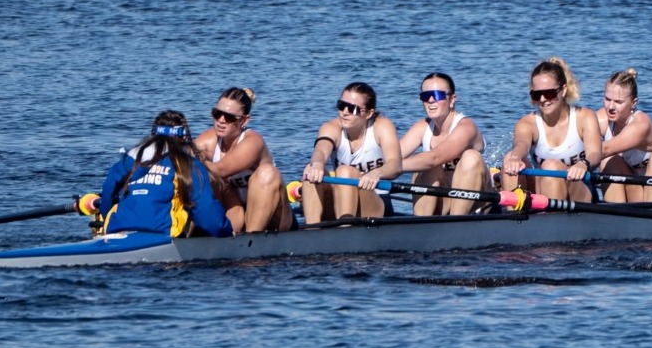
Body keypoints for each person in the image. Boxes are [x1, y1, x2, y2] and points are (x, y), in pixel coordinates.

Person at [96, 110, 233, 238]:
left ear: (154, 134)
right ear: (184, 136)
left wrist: (107, 219)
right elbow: (206, 211)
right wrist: (225, 232)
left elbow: (108, 194)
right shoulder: (189, 164)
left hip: (116, 229)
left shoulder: (128, 160)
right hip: (163, 234)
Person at [500, 57, 603, 203]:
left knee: (551, 166)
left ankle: (550, 216)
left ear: (563, 91)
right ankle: (513, 214)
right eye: (536, 94)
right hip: (543, 189)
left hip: (579, 191)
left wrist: (583, 164)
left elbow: (595, 154)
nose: (542, 99)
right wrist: (515, 158)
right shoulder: (527, 123)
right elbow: (521, 144)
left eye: (549, 93)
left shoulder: (585, 117)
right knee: (509, 158)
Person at [300, 81, 405, 223]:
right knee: (310, 169)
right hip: (340, 198)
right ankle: (312, 229)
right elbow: (321, 150)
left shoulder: (382, 127)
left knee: (345, 172)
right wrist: (318, 164)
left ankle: (345, 230)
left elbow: (395, 165)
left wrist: (376, 173)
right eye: (341, 105)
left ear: (369, 113)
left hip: (376, 200)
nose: (345, 112)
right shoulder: (331, 127)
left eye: (352, 109)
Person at [196, 86, 293, 233]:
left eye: (229, 117)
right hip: (238, 213)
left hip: (273, 218)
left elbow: (220, 169)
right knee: (204, 178)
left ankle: (250, 241)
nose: (221, 121)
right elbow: (181, 156)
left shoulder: (253, 142)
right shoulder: (208, 139)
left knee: (267, 173)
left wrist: (191, 161)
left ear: (244, 121)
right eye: (217, 114)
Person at [398, 72, 488, 216]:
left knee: (470, 157)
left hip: (477, 203)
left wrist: (392, 166)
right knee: (422, 163)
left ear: (452, 99)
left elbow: (435, 157)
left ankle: (456, 223)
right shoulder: (422, 127)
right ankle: (420, 222)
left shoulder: (466, 127)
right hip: (445, 201)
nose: (431, 100)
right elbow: (391, 156)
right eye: (426, 96)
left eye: (438, 95)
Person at [594, 68, 652, 203]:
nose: (610, 107)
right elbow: (578, 135)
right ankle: (614, 212)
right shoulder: (602, 118)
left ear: (634, 102)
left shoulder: (641, 125)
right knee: (610, 162)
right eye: (607, 99)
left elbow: (604, 149)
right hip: (638, 190)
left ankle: (650, 213)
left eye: (618, 102)